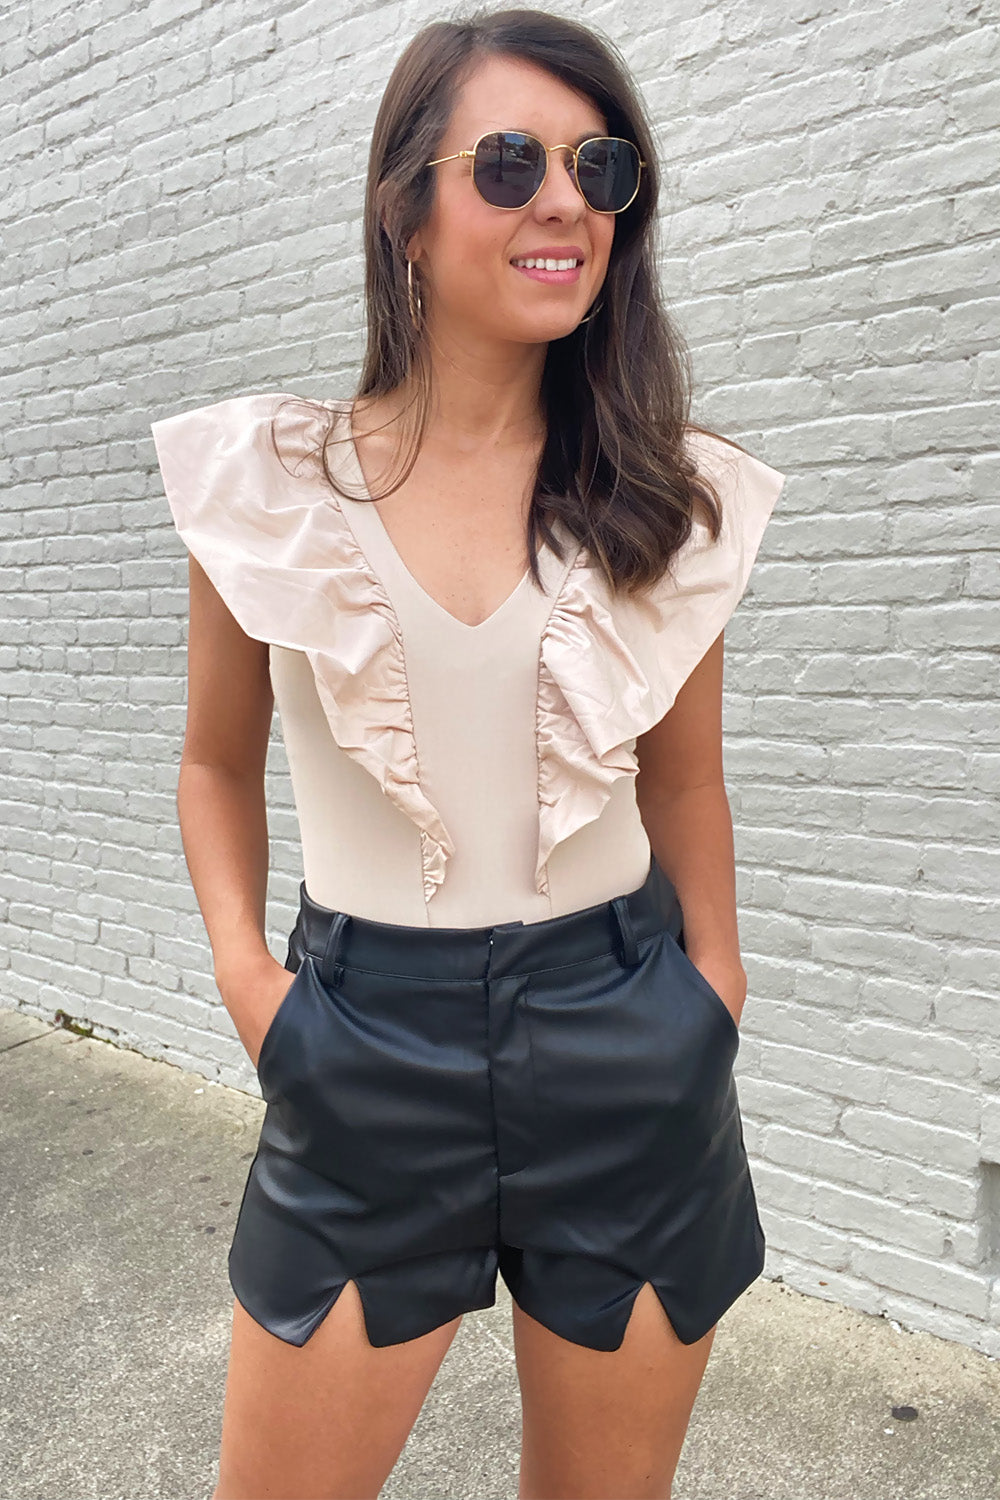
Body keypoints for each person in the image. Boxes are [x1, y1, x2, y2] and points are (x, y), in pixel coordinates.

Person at [151, 8, 786, 1498]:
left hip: (626, 1033)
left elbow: (688, 780)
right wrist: (258, 994)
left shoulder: (664, 499)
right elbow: (210, 766)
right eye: (508, 163)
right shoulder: (270, 490)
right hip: (365, 1049)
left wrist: (713, 991)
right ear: (406, 212)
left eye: (600, 165)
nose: (564, 199)